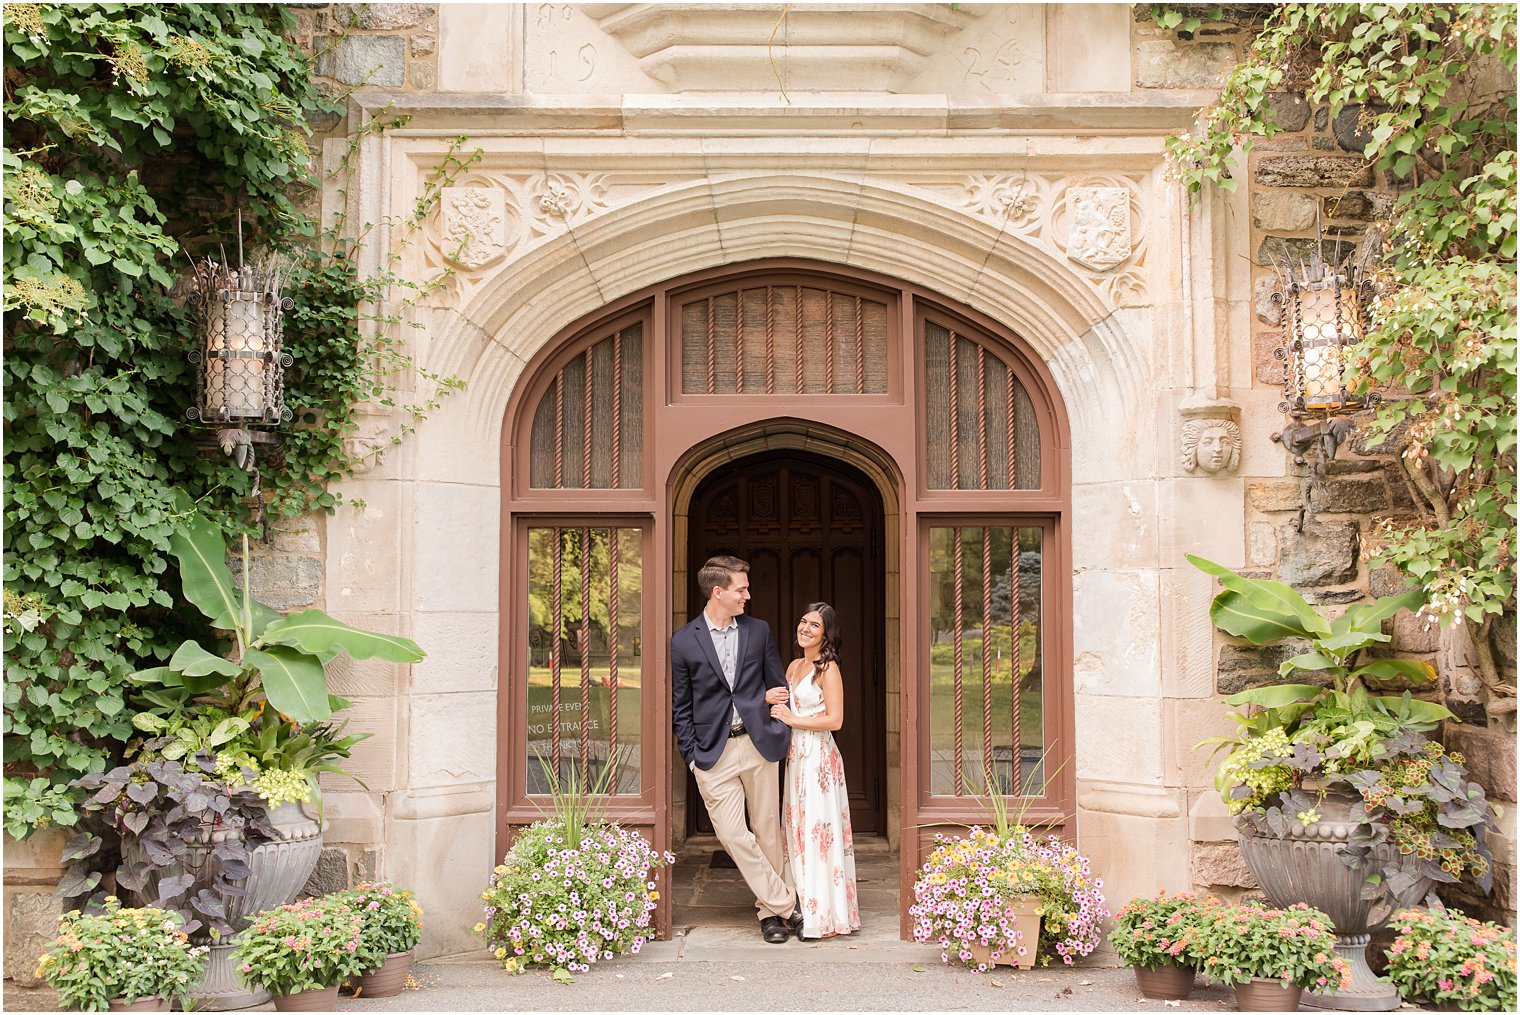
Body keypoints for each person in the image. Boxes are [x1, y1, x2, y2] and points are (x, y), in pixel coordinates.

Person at [671, 555, 802, 944]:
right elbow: (682, 705)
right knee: (732, 835)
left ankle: (770, 916)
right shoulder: (683, 640)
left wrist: (776, 725)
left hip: (757, 742)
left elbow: (777, 686)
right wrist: (692, 757)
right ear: (718, 592)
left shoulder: (758, 631)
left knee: (766, 831)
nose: (747, 595)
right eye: (740, 589)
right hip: (712, 754)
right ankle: (785, 903)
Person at [767, 602, 860, 939]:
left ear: (826, 634)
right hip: (796, 756)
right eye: (803, 622)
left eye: (814, 626)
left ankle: (822, 915)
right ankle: (798, 907)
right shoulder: (794, 666)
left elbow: (835, 720)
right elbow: (786, 703)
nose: (805, 629)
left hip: (819, 756)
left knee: (817, 831)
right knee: (796, 829)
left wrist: (793, 719)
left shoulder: (827, 668)